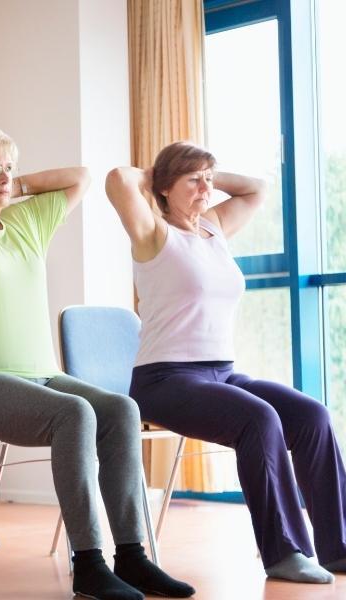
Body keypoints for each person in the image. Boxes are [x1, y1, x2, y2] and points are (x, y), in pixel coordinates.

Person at [0, 127, 194, 600]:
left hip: (42, 374)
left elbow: (81, 177)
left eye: (8, 166)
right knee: (74, 413)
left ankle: (132, 557)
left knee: (121, 410)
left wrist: (12, 184)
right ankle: (88, 564)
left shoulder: (29, 221)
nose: (5, 176)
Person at [108, 141, 346, 584]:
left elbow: (257, 188)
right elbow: (119, 180)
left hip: (221, 371)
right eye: (193, 181)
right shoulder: (154, 233)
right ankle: (284, 552)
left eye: (209, 180)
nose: (205, 189)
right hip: (164, 379)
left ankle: (338, 546)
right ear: (163, 188)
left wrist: (205, 174)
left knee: (312, 416)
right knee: (257, 419)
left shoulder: (214, 228)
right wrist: (157, 173)